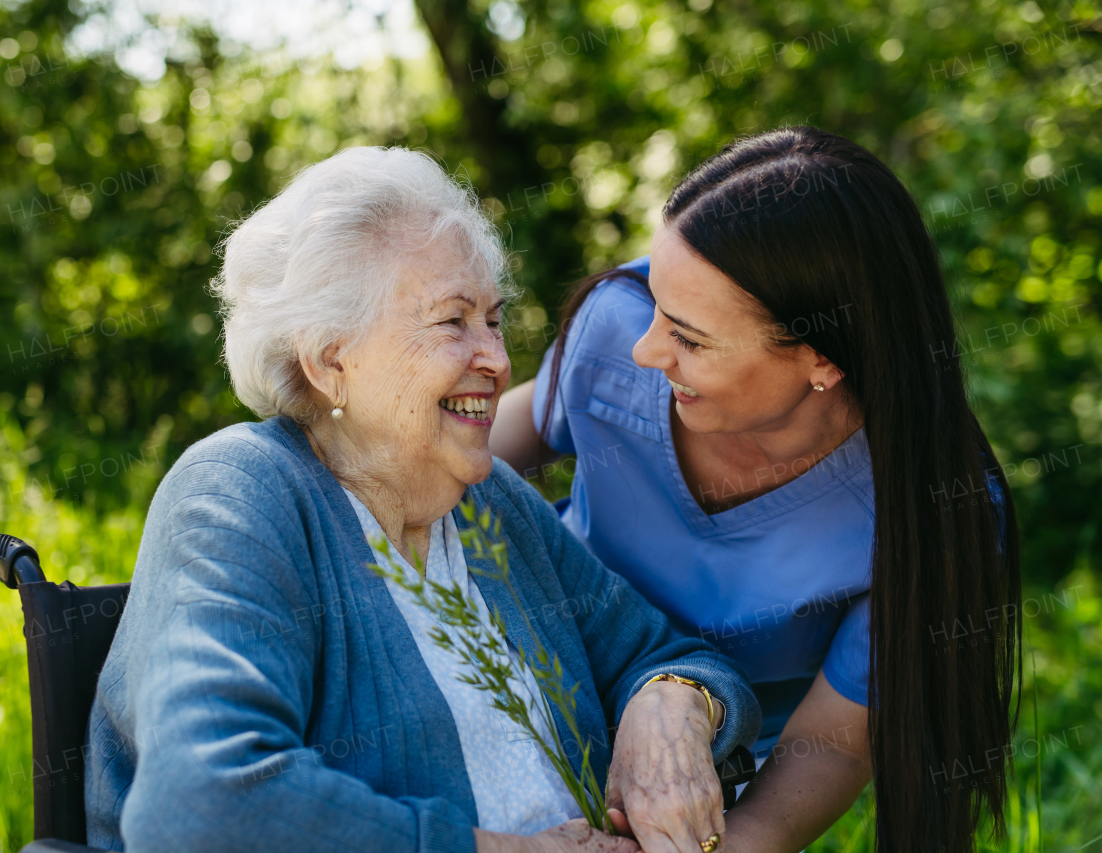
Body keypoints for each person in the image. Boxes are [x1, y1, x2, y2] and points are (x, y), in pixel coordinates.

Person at [83, 146, 761, 853]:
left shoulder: (486, 500)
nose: (497, 360)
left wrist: (675, 700)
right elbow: (204, 804)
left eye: (493, 320)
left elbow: (664, 652)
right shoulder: (241, 490)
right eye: (451, 321)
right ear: (329, 361)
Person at [491, 127, 1021, 853]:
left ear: (821, 362)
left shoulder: (928, 506)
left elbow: (834, 743)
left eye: (690, 337)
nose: (646, 349)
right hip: (529, 672)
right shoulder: (616, 330)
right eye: (655, 299)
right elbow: (476, 449)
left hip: (721, 777)